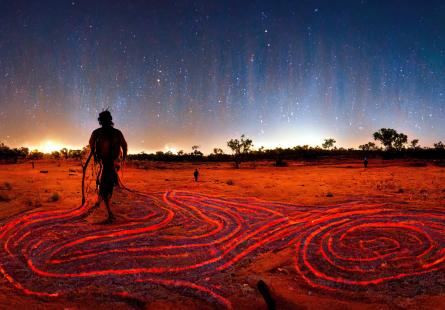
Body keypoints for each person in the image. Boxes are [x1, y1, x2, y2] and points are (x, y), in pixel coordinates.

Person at [89, 110, 127, 223]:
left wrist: (94, 154)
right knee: (106, 184)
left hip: (110, 163)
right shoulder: (111, 132)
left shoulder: (98, 132)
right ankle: (105, 207)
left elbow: (124, 146)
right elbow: (124, 146)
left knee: (106, 185)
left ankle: (109, 213)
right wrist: (123, 158)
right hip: (109, 163)